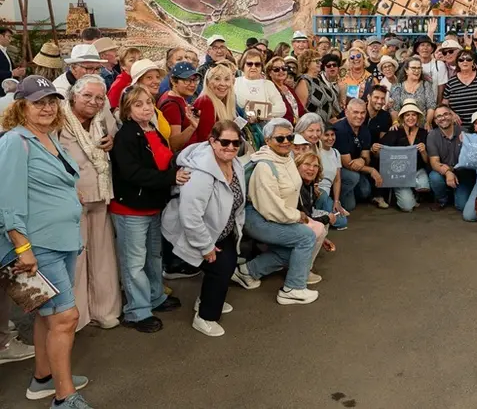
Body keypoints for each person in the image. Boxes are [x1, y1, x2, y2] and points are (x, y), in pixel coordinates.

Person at [0, 76, 94, 408]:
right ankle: (64, 396)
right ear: (20, 105)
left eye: (52, 101)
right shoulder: (16, 141)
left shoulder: (47, 138)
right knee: (64, 318)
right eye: (38, 101)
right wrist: (22, 247)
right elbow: (7, 200)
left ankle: (43, 378)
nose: (47, 107)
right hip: (38, 247)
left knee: (47, 315)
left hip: (62, 241)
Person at [110, 85, 189, 333]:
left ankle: (155, 296)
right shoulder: (126, 136)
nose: (145, 108)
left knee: (153, 257)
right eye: (138, 104)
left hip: (153, 205)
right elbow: (132, 173)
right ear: (127, 110)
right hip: (130, 207)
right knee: (134, 262)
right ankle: (137, 310)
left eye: (147, 103)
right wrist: (170, 179)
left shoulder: (152, 130)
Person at [161, 121, 245, 337]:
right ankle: (205, 316)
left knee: (227, 265)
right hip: (201, 231)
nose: (230, 147)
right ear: (212, 141)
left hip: (221, 228)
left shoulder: (235, 164)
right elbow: (190, 215)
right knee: (220, 268)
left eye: (236, 142)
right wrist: (205, 246)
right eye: (224, 142)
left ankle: (207, 299)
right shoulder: (200, 173)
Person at [232, 118, 321, 305]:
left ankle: (247, 272)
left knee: (294, 250)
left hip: (275, 214)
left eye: (289, 137)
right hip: (258, 218)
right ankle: (293, 288)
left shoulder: (286, 158)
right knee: (306, 237)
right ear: (267, 140)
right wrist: (298, 216)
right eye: (280, 138)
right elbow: (269, 207)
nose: (286, 142)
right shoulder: (265, 166)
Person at [59, 76, 120, 330]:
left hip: (101, 194)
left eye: (98, 97)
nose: (93, 101)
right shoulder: (59, 120)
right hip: (71, 199)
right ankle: (77, 315)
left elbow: (112, 138)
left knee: (103, 255)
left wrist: (112, 142)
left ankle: (104, 310)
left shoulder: (102, 118)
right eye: (87, 96)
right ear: (74, 95)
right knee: (76, 259)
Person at [298, 117, 349, 230]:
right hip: (316, 193)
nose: (330, 138)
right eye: (326, 135)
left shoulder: (335, 153)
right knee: (341, 221)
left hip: (326, 193)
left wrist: (336, 201)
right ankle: (316, 217)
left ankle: (321, 215)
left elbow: (337, 179)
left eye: (332, 135)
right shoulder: (310, 149)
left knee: (344, 217)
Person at [379, 100, 430, 212]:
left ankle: (414, 192)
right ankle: (404, 193)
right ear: (402, 117)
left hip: (418, 170)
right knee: (407, 207)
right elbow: (382, 152)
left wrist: (423, 151)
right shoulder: (395, 131)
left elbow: (427, 161)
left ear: (418, 117)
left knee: (423, 186)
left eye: (413, 114)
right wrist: (375, 148)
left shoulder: (424, 133)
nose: (410, 118)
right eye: (407, 115)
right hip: (400, 173)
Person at [335, 98, 382, 210]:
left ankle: (350, 192)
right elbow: (347, 163)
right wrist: (371, 170)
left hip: (357, 167)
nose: (360, 116)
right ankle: (334, 197)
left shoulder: (364, 130)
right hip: (339, 170)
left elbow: (366, 157)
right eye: (355, 112)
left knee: (365, 191)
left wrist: (362, 160)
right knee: (353, 179)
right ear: (346, 112)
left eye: (362, 112)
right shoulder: (340, 130)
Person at [427, 104, 473, 212]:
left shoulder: (465, 132)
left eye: (446, 114)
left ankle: (455, 194)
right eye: (439, 116)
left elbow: (471, 159)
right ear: (436, 121)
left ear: (452, 116)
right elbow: (434, 163)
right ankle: (442, 199)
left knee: (461, 206)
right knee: (434, 177)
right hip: (443, 172)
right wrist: (448, 172)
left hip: (463, 173)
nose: (443, 118)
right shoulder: (432, 135)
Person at [443, 49, 477, 132]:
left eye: (468, 59)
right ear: (457, 62)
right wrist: (452, 113)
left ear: (473, 62)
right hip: (460, 128)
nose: (465, 62)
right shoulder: (451, 81)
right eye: (461, 60)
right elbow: (444, 104)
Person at [157, 62, 200, 152]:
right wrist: (192, 127)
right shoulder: (172, 106)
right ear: (173, 81)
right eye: (187, 80)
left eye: (195, 80)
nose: (192, 85)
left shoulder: (178, 98)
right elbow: (173, 145)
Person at [234, 49, 286, 122]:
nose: (253, 67)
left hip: (266, 127)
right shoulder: (235, 82)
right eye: (249, 64)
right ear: (243, 65)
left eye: (257, 64)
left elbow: (282, 109)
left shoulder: (268, 84)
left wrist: (258, 112)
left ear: (261, 66)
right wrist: (267, 107)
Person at [192, 64, 237, 144]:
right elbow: (205, 139)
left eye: (227, 79)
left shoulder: (225, 102)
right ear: (208, 82)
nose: (223, 84)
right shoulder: (206, 102)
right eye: (217, 79)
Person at [128, 59, 171, 141]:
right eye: (149, 77)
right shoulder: (140, 112)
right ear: (138, 82)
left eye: (157, 77)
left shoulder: (153, 106)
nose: (156, 81)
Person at [391, 56, 437, 130]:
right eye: (414, 68)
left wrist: (428, 122)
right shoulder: (397, 87)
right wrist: (395, 122)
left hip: (423, 127)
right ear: (406, 70)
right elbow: (394, 108)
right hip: (403, 128)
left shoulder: (426, 85)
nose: (417, 70)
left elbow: (431, 106)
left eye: (419, 68)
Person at [297, 53, 341, 125]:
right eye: (316, 61)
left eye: (320, 61)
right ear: (307, 64)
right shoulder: (304, 82)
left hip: (327, 124)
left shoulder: (319, 80)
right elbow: (301, 109)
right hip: (313, 126)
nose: (320, 63)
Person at [265, 55, 305, 125]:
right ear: (269, 73)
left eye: (284, 68)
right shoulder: (269, 89)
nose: (281, 71)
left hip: (298, 126)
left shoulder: (288, 88)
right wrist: (295, 121)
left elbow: (300, 109)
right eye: (276, 69)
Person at [413, 35, 448, 104]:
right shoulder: (412, 65)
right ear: (417, 49)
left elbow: (441, 89)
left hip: (433, 105)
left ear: (432, 49)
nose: (425, 48)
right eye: (422, 45)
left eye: (428, 45)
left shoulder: (439, 65)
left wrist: (437, 105)